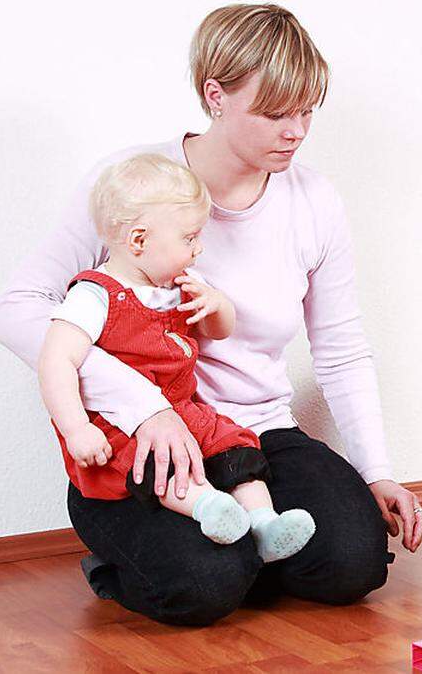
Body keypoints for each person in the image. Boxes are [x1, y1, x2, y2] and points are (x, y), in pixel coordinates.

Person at [0, 3, 422, 626]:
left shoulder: (315, 201)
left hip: (256, 431)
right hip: (142, 442)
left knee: (354, 564)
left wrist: (377, 471)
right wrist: (145, 405)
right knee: (203, 586)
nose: (296, 131)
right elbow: (17, 310)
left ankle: (238, 546)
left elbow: (341, 346)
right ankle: (151, 556)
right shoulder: (133, 187)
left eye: (306, 111)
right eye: (275, 113)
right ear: (214, 95)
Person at [39, 153, 315, 563]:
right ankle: (210, 509)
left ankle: (263, 523)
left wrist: (216, 305)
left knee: (234, 444)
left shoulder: (183, 285)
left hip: (185, 411)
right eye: (189, 239)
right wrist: (77, 428)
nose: (199, 249)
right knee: (158, 463)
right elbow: (55, 362)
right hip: (124, 427)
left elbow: (217, 331)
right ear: (138, 240)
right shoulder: (94, 296)